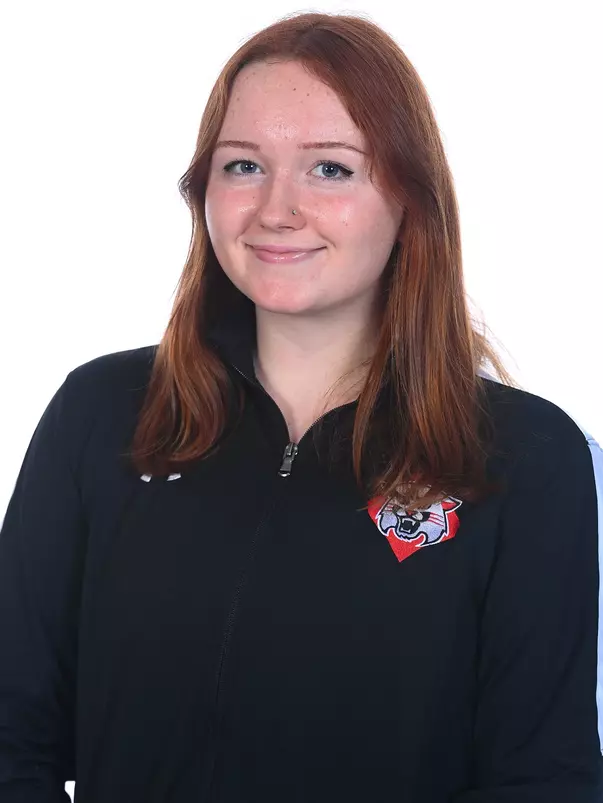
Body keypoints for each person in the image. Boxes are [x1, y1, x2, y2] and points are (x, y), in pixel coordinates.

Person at [1, 11, 602, 803]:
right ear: (202, 191)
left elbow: (544, 780)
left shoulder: (523, 458)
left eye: (331, 169)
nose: (277, 209)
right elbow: (12, 732)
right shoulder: (104, 414)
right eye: (243, 165)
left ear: (409, 197)